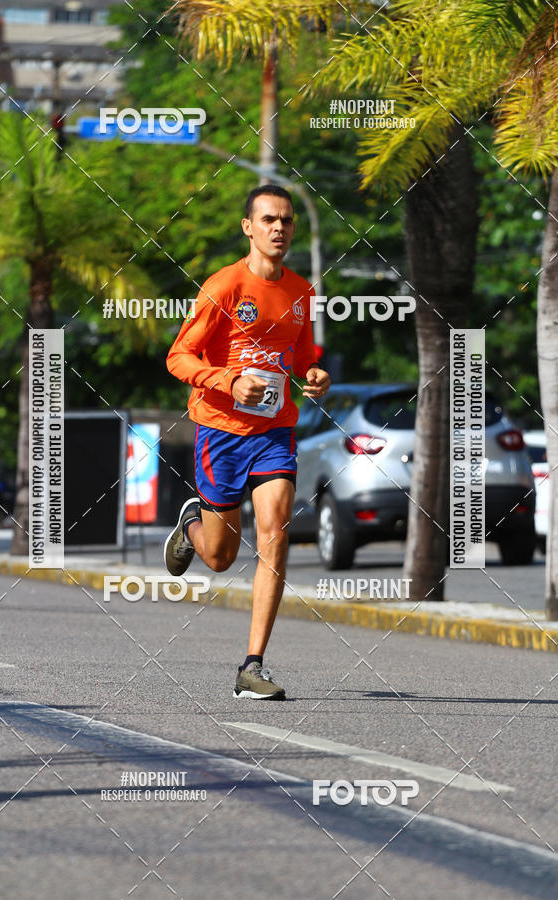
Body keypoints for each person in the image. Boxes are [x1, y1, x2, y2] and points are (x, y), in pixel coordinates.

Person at [164, 184, 331, 700]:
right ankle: (192, 525)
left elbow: (303, 353)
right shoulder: (223, 287)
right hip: (221, 431)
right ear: (249, 227)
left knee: (275, 533)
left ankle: (252, 665)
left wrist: (314, 372)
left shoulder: (302, 291)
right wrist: (228, 380)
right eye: (268, 220)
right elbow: (179, 358)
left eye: (286, 220)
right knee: (218, 557)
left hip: (274, 429)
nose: (279, 228)